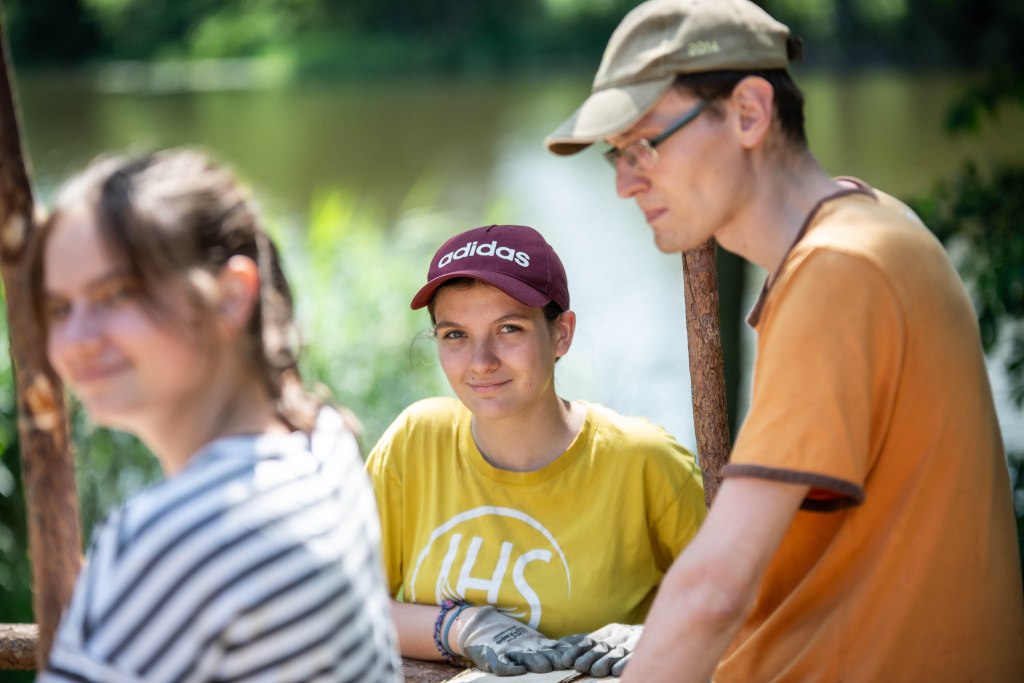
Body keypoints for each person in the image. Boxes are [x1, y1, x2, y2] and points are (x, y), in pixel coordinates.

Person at [544, 1, 1024, 681]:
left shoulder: (839, 273)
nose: (625, 181)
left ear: (749, 112)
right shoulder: (873, 225)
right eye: (617, 154)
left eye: (647, 143)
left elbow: (714, 588)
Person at [31, 149, 401, 682]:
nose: (76, 340)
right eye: (60, 308)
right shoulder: (324, 438)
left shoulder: (170, 541)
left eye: (116, 295)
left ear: (230, 297)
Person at [364, 223, 707, 677]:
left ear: (562, 333)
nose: (481, 362)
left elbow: (757, 609)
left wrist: (658, 636)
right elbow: (343, 607)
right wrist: (460, 626)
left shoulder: (645, 461)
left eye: (509, 329)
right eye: (455, 335)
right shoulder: (415, 441)